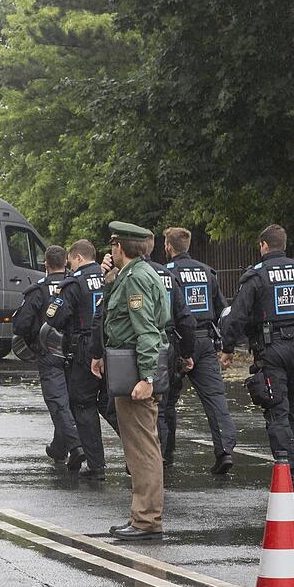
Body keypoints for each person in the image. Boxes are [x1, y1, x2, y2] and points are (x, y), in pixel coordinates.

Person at [220, 224, 294, 493]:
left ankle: (288, 469)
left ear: (263, 245)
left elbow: (237, 315)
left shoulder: (256, 276)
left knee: (277, 409)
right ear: (283, 245)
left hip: (271, 350)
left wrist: (227, 348)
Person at [90, 222, 169, 541]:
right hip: (128, 366)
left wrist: (147, 378)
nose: (109, 251)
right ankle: (143, 517)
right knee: (140, 446)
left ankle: (146, 520)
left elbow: (147, 331)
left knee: (142, 449)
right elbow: (114, 314)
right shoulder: (132, 275)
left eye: (112, 246)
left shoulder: (136, 278)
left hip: (136, 370)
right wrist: (109, 278)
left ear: (120, 247)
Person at [163, 227, 238, 473]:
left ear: (169, 247)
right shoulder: (207, 272)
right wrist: (226, 345)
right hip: (205, 340)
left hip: (176, 341)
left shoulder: (167, 274)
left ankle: (165, 454)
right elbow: (223, 311)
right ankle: (225, 451)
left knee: (166, 401)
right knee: (215, 398)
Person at [47, 240, 117, 479]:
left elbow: (54, 319)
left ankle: (96, 465)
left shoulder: (74, 283)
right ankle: (140, 456)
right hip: (112, 347)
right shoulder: (110, 276)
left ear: (76, 257)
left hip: (85, 349)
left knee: (83, 403)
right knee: (114, 405)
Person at [12, 245, 85, 469]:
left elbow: (21, 324)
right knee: (69, 402)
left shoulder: (38, 290)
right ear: (66, 262)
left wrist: (33, 341)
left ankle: (76, 447)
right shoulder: (76, 285)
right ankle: (59, 447)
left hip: (50, 351)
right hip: (75, 350)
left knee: (57, 402)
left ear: (46, 265)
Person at [140, 236, 197, 467]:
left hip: (147, 345)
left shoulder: (132, 275)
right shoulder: (167, 274)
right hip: (169, 344)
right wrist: (186, 353)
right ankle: (167, 454)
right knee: (167, 404)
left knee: (152, 406)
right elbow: (186, 320)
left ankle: (157, 456)